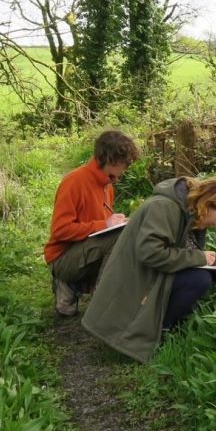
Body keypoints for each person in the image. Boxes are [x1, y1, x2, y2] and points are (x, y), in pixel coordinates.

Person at [81, 176, 216, 363]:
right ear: (208, 204)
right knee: (199, 280)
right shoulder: (164, 207)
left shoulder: (189, 209)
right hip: (134, 280)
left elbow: (187, 246)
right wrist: (199, 258)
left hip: (150, 272)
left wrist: (215, 262)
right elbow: (150, 253)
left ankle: (163, 326)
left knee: (202, 275)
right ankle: (160, 331)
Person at [44, 129, 139, 317]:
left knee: (128, 235)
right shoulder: (75, 181)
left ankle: (80, 289)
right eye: (126, 163)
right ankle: (102, 305)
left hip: (85, 253)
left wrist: (115, 222)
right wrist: (105, 225)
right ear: (112, 160)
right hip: (62, 258)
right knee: (116, 237)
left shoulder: (107, 185)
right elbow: (60, 230)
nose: (127, 168)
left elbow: (98, 230)